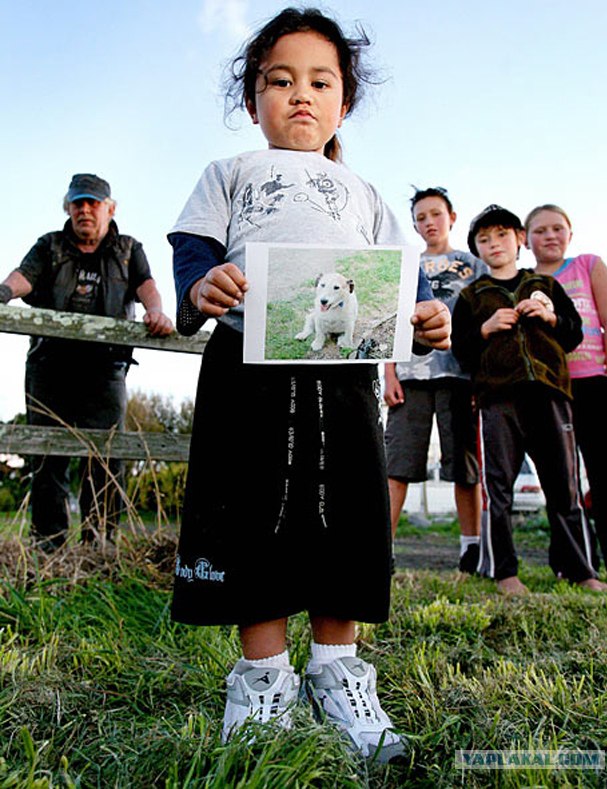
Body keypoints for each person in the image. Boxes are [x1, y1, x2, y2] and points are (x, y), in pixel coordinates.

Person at [168, 7, 450, 761]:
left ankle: (337, 670)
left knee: (348, 508)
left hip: (343, 375)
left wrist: (425, 317)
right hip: (244, 372)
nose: (300, 94)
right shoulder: (228, 174)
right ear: (252, 98)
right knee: (248, 504)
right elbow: (192, 255)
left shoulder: (362, 192)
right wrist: (203, 286)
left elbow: (405, 280)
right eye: (279, 80)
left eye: (318, 81)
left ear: (342, 103)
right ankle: (261, 678)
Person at [0, 173, 173, 550]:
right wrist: (3, 292)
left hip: (105, 369)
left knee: (107, 456)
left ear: (110, 208)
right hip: (50, 366)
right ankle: (50, 547)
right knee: (47, 456)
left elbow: (147, 284)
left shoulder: (127, 249)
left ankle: (99, 545)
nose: (85, 210)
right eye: (77, 203)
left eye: (93, 203)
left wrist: (156, 312)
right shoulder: (50, 246)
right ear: (68, 207)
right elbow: (24, 277)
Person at [452, 204, 607, 595]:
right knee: (499, 487)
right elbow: (462, 351)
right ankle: (504, 572)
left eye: (503, 235)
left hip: (550, 393)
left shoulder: (545, 286)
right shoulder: (472, 296)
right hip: (497, 399)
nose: (495, 244)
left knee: (564, 485)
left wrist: (550, 317)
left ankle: (582, 571)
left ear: (519, 239)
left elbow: (573, 333)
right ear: (476, 248)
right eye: (484, 239)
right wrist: (487, 329)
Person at [384, 187, 488, 573]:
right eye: (421, 218)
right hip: (411, 375)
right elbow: (390, 321)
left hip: (459, 376)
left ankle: (471, 548)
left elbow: (481, 322)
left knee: (463, 465)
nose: (428, 223)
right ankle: (384, 549)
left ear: (452, 217)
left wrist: (481, 378)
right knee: (399, 463)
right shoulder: (406, 264)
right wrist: (389, 372)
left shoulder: (472, 265)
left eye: (435, 214)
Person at [525, 204, 607, 581]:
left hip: (595, 384)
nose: (550, 236)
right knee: (561, 480)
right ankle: (575, 562)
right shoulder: (525, 280)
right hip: (551, 391)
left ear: (570, 233)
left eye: (557, 228)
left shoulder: (588, 265)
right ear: (526, 238)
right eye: (540, 230)